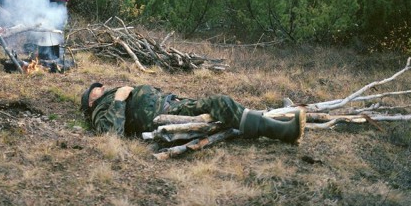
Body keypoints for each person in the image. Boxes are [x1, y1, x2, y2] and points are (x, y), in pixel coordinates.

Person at [80, 83, 305, 145]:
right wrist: (119, 99)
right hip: (167, 114)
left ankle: (275, 121)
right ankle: (283, 131)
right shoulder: (100, 109)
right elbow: (110, 134)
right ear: (91, 100)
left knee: (222, 105)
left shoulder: (106, 98)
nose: (101, 87)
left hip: (174, 104)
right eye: (96, 89)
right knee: (221, 103)